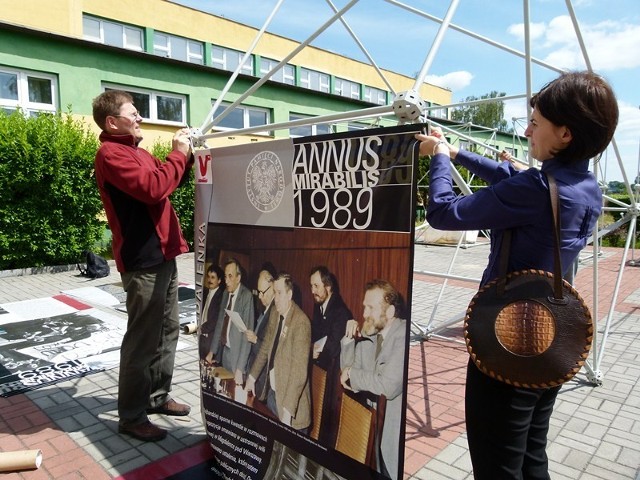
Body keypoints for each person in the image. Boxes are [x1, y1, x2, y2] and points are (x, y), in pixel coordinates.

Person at [415, 70, 618, 479]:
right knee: (530, 455)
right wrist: (457, 155)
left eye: (535, 123)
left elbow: (442, 212)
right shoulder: (584, 186)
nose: (526, 131)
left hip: (508, 343)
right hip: (552, 340)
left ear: (564, 134)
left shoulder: (536, 191)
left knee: (497, 466)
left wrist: (438, 157)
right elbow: (514, 179)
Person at [91, 90, 194, 442]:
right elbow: (153, 189)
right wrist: (178, 153)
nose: (138, 118)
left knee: (168, 332)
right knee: (142, 340)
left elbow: (167, 183)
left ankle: (156, 397)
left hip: (162, 254)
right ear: (112, 121)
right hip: (143, 261)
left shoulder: (138, 152)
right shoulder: (111, 154)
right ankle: (132, 415)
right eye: (132, 113)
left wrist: (187, 157)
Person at [340, 279, 406, 480]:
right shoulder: (373, 337)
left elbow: (388, 385)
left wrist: (352, 374)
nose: (364, 314)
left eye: (370, 308)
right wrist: (349, 340)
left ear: (390, 312)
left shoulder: (403, 334)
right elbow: (347, 375)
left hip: (394, 440)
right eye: (364, 307)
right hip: (375, 431)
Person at [246, 272, 311, 431]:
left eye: (280, 293)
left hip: (292, 407)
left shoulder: (301, 323)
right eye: (274, 292)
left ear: (289, 294)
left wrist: (287, 412)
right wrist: (252, 377)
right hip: (273, 396)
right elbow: (266, 347)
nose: (276, 298)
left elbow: (299, 372)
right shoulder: (275, 313)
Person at [309, 265, 352, 445]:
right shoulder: (319, 305)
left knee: (325, 429)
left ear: (328, 287)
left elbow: (333, 348)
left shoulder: (340, 312)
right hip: (320, 371)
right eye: (311, 286)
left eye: (316, 286)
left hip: (333, 378)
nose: (313, 291)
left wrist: (314, 353)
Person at [208, 258, 255, 385]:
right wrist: (212, 352)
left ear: (238, 278)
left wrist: (240, 369)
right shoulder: (225, 294)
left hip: (237, 357)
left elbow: (247, 336)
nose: (226, 281)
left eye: (230, 276)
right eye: (225, 276)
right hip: (224, 353)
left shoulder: (246, 296)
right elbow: (219, 325)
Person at [245, 267, 276, 398]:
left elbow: (270, 349)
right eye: (259, 292)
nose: (260, 296)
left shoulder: (275, 312)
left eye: (263, 292)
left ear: (273, 286)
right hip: (252, 371)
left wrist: (255, 340)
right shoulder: (265, 308)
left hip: (262, 377)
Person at [199, 263, 224, 359]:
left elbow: (215, 321)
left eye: (213, 277)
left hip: (210, 342)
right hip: (201, 338)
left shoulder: (221, 297)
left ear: (219, 280)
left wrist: (199, 329)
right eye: (208, 277)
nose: (209, 280)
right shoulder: (205, 293)